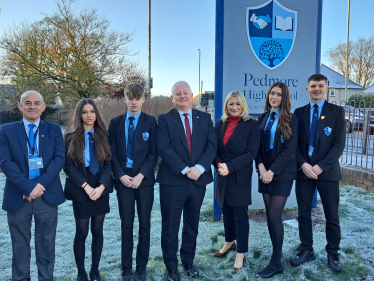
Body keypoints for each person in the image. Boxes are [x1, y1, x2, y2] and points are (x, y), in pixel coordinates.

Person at [0, 90, 65, 281]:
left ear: (43, 107)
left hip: (46, 196)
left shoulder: (53, 129)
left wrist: (37, 186)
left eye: (37, 103)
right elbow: (5, 162)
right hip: (18, 197)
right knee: (20, 248)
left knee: (46, 246)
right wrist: (27, 187)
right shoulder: (6, 130)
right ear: (20, 106)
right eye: (27, 103)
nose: (32, 106)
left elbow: (59, 159)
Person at [157, 81, 217, 281]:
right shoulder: (164, 119)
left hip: (197, 181)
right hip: (173, 182)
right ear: (172, 98)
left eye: (185, 93)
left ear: (192, 95)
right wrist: (185, 170)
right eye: (177, 93)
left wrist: (199, 168)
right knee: (170, 226)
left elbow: (211, 146)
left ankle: (188, 262)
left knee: (192, 225)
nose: (182, 96)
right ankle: (171, 267)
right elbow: (164, 148)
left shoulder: (205, 118)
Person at [291, 74, 346, 272]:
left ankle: (333, 253)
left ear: (326, 88)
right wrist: (303, 164)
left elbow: (338, 145)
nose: (317, 89)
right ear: (307, 89)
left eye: (320, 86)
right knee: (303, 214)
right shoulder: (298, 113)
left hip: (328, 172)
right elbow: (293, 144)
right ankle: (307, 249)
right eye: (313, 86)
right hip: (304, 172)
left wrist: (320, 166)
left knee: (332, 215)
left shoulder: (337, 112)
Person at [108, 84, 158, 281]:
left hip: (143, 182)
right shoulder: (116, 123)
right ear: (125, 100)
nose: (134, 102)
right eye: (131, 98)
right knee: (126, 225)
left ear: (144, 99)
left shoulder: (151, 122)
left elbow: (154, 152)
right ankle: (126, 267)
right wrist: (120, 175)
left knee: (144, 224)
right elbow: (111, 152)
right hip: (124, 181)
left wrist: (141, 175)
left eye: (138, 98)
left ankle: (141, 267)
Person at [64, 98, 113, 281]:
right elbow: (68, 166)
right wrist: (85, 187)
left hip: (100, 188)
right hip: (81, 189)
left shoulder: (104, 136)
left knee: (98, 231)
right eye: (84, 112)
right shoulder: (70, 137)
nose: (89, 115)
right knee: (82, 232)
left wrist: (101, 187)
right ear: (79, 115)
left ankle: (94, 270)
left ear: (96, 113)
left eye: (92, 111)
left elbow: (109, 165)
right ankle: (81, 272)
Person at [255, 82, 299, 278]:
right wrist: (261, 168)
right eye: (272, 93)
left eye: (279, 95)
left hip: (281, 174)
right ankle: (276, 255)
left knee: (274, 216)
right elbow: (256, 146)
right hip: (264, 173)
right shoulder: (263, 117)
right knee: (269, 218)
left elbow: (290, 151)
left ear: (284, 97)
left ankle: (276, 262)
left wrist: (272, 171)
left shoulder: (291, 119)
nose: (274, 97)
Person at [213, 90, 260, 270]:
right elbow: (214, 148)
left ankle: (240, 253)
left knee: (240, 216)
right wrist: (219, 164)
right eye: (231, 104)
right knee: (227, 212)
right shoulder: (220, 123)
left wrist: (230, 167)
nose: (234, 108)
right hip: (222, 174)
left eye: (238, 104)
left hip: (239, 175)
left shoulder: (251, 125)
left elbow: (251, 153)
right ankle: (229, 243)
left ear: (243, 106)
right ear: (226, 106)